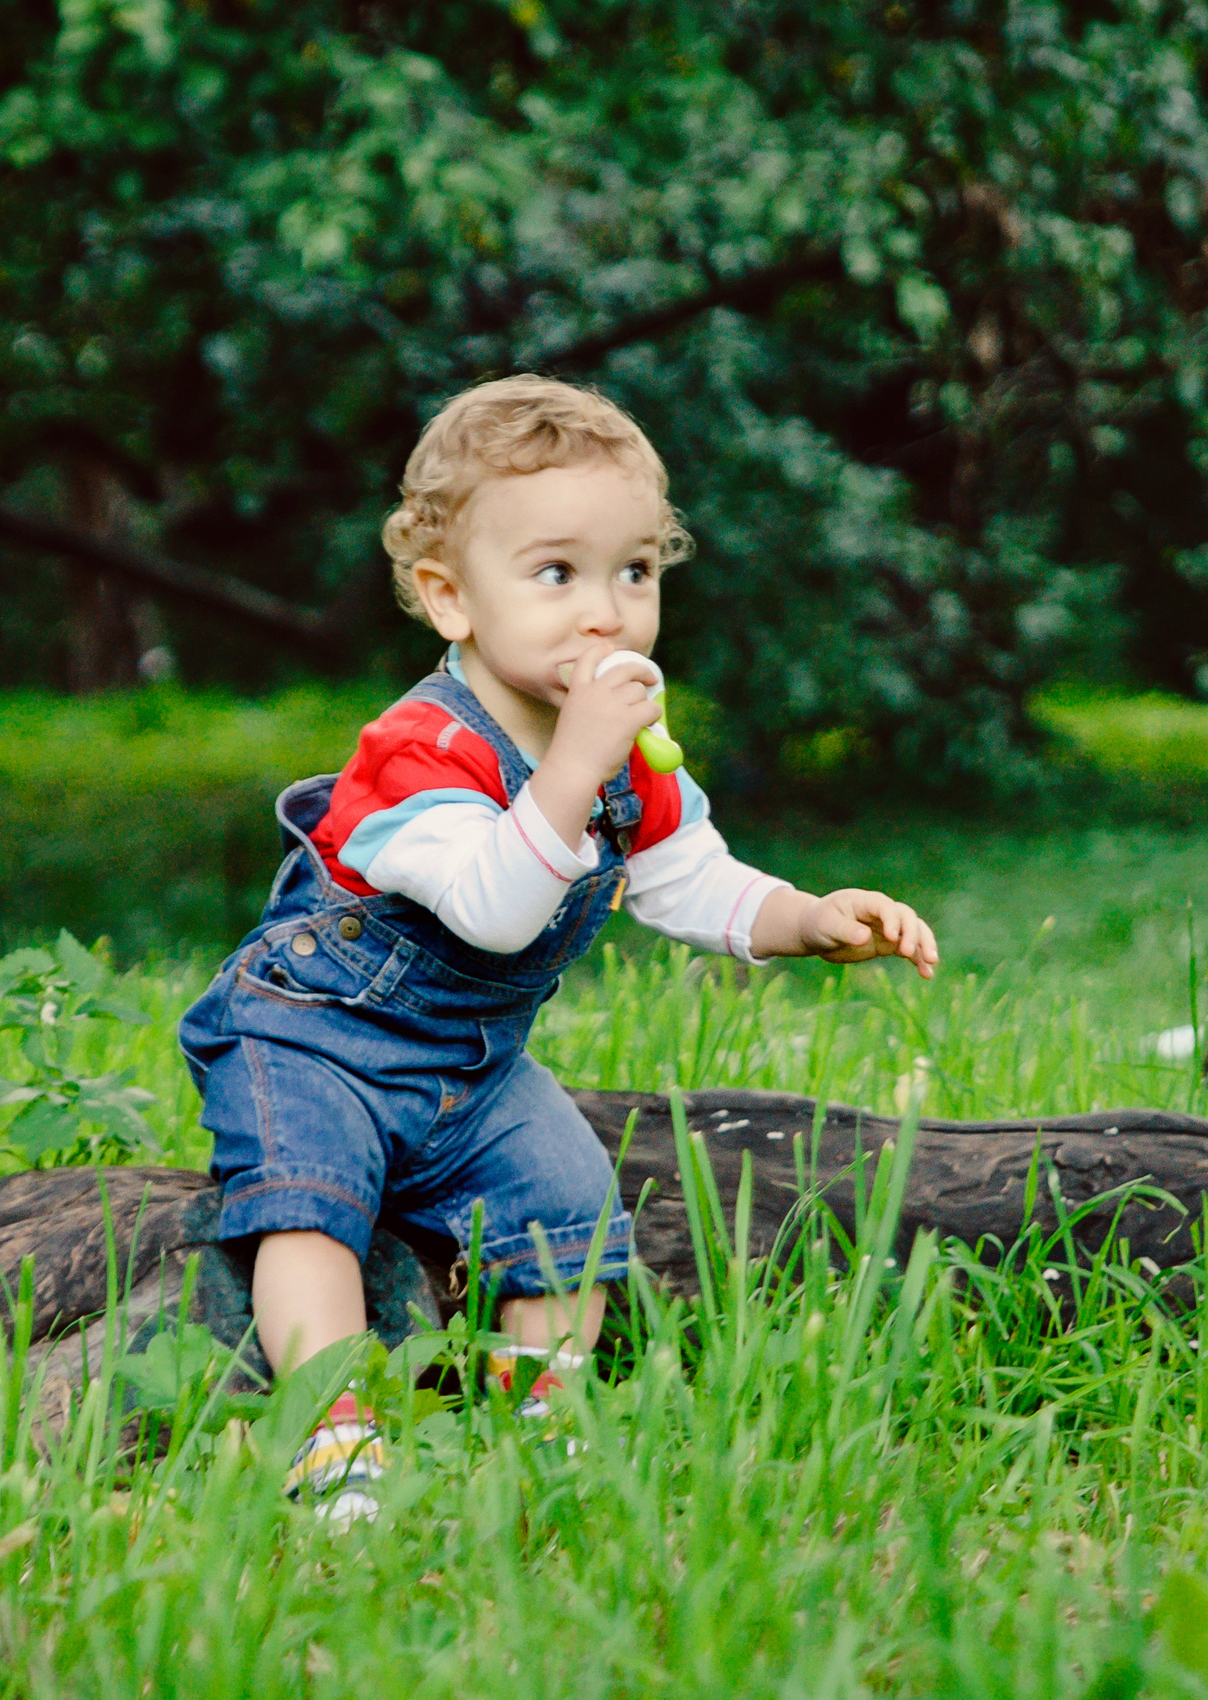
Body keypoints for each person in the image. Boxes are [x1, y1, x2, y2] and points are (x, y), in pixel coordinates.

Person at [179, 375, 940, 1522]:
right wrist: (577, 761)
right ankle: (332, 1430)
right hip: (315, 1041)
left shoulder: (624, 760)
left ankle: (543, 1416)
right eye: (556, 574)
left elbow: (691, 877)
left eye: (633, 571)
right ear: (450, 598)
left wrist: (805, 917)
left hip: (472, 1065)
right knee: (309, 1204)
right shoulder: (420, 750)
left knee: (568, 1204)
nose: (605, 613)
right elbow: (492, 907)